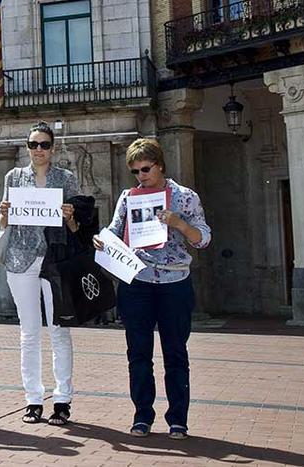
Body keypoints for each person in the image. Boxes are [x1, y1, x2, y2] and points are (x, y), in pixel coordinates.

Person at [94, 138, 211, 440]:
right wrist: (102, 238)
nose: (141, 176)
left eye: (145, 169)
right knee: (138, 354)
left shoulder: (185, 197)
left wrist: (179, 224)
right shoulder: (128, 196)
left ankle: (178, 420)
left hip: (175, 283)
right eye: (135, 171)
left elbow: (203, 238)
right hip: (138, 283)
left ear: (159, 164)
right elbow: (114, 228)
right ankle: (142, 416)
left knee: (175, 353)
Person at [0, 121, 80, 426]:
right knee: (29, 332)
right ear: (27, 148)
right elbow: (5, 225)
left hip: (55, 261)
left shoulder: (66, 178)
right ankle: (33, 399)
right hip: (21, 261)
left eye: (44, 144)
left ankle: (62, 399)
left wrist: (70, 217)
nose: (39, 150)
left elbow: (76, 228)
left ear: (53, 148)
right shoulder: (14, 177)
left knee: (59, 331)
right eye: (33, 145)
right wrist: (4, 214)